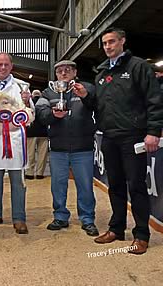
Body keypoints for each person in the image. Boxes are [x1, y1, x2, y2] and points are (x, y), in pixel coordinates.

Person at [78, 27, 163, 254]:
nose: (108, 46)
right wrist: (87, 97)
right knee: (114, 186)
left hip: (133, 137)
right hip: (109, 137)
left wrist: (153, 131)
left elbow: (154, 100)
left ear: (122, 41)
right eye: (105, 43)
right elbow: (97, 106)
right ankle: (116, 229)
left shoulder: (138, 67)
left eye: (112, 42)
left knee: (136, 186)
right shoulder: (102, 73)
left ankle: (142, 234)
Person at [36, 60, 99, 236]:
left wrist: (85, 96)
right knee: (58, 185)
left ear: (75, 72)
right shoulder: (48, 92)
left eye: (67, 70)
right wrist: (53, 115)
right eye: (59, 71)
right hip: (58, 149)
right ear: (55, 75)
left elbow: (97, 105)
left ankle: (87, 219)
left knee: (85, 185)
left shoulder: (87, 87)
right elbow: (41, 114)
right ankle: (60, 216)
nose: (63, 73)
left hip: (83, 148)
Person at [0, 52, 33, 234]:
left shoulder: (21, 86)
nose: (2, 67)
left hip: (15, 139)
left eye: (6, 64)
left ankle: (19, 218)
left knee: (18, 182)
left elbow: (29, 114)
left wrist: (28, 102)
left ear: (11, 66)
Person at [25, 89, 48, 180]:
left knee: (30, 154)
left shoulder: (29, 104)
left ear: (32, 95)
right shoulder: (45, 102)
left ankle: (29, 173)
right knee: (42, 154)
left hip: (31, 132)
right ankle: (40, 173)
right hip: (43, 132)